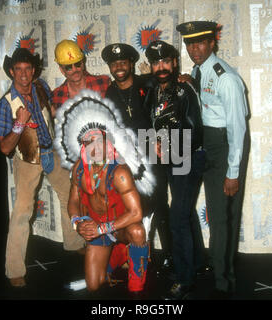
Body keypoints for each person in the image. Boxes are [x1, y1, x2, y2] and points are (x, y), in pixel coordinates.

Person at [53, 90, 156, 297]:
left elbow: (136, 213)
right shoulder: (78, 169)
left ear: (108, 143)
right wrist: (78, 222)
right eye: (89, 143)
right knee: (94, 285)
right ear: (82, 148)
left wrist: (102, 228)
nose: (95, 147)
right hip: (98, 226)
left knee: (137, 232)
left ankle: (136, 284)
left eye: (99, 141)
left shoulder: (120, 172)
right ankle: (119, 253)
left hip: (120, 225)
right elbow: (73, 202)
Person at [0, 48, 81, 287]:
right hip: (26, 160)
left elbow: (53, 110)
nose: (24, 74)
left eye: (28, 69)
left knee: (70, 197)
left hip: (50, 151)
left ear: (33, 71)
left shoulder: (40, 86)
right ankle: (14, 270)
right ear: (12, 72)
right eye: (19, 69)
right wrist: (19, 125)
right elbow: (4, 148)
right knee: (22, 212)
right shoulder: (6, 104)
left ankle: (74, 244)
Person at [177, 21, 249, 299]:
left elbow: (238, 129)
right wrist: (189, 83)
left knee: (221, 217)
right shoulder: (199, 71)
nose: (194, 49)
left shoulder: (226, 78)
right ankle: (217, 262)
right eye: (189, 44)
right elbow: (203, 101)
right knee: (204, 210)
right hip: (203, 141)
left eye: (200, 43)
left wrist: (233, 172)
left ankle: (223, 282)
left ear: (212, 44)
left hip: (224, 144)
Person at [143, 40, 206, 300]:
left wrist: (165, 146)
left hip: (188, 157)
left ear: (175, 62)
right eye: (156, 62)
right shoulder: (152, 91)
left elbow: (194, 129)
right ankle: (198, 263)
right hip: (170, 159)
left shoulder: (185, 89)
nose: (161, 67)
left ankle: (185, 279)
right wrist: (153, 144)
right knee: (185, 212)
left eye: (166, 61)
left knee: (178, 218)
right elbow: (148, 123)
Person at [101, 43, 172, 270]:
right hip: (127, 158)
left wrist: (184, 79)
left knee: (160, 204)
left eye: (123, 62)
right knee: (133, 206)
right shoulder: (109, 94)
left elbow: (169, 105)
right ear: (110, 68)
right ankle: (139, 252)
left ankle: (170, 254)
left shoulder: (148, 83)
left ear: (131, 64)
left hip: (153, 155)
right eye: (114, 64)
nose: (119, 67)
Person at [52, 40, 111, 113]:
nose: (75, 70)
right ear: (62, 70)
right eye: (68, 67)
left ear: (83, 64)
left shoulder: (104, 83)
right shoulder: (56, 95)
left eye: (77, 64)